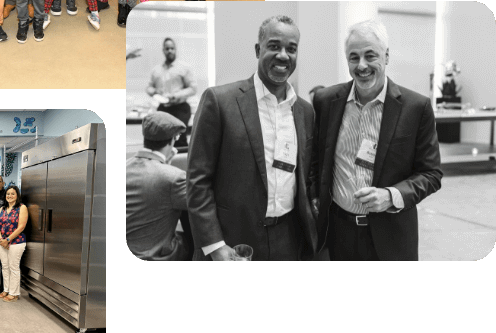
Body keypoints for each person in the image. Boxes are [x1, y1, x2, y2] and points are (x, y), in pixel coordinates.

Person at [309, 20, 443, 261]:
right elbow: (317, 157)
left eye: (370, 56)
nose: (362, 66)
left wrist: (391, 195)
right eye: (353, 57)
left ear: (387, 56)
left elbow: (431, 174)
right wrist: (315, 194)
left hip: (391, 236)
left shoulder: (416, 108)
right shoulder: (326, 101)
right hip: (339, 234)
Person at [186, 15, 317, 261]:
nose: (283, 55)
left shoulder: (305, 111)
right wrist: (214, 246)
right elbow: (197, 179)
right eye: (274, 46)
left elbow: (306, 175)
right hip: (232, 242)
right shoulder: (220, 101)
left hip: (289, 240)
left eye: (291, 49)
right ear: (258, 49)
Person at [126, 112, 190, 260]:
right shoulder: (174, 178)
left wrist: (164, 163)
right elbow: (202, 202)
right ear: (172, 141)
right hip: (155, 256)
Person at [145, 37, 197, 148]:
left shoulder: (184, 68)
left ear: (175, 49)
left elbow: (193, 88)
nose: (170, 51)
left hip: (180, 108)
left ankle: (182, 164)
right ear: (163, 50)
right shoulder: (156, 70)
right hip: (162, 108)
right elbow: (148, 88)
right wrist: (154, 92)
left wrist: (175, 96)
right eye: (167, 48)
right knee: (162, 140)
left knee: (179, 139)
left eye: (172, 48)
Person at [0, 185, 28, 302]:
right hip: (2, 242)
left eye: (12, 194)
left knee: (13, 267)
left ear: (17, 195)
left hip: (16, 242)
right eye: (8, 194)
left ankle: (14, 293)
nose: (10, 196)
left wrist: (8, 240)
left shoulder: (22, 207)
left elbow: (21, 227)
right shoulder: (2, 209)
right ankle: (6, 289)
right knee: (4, 267)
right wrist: (1, 240)